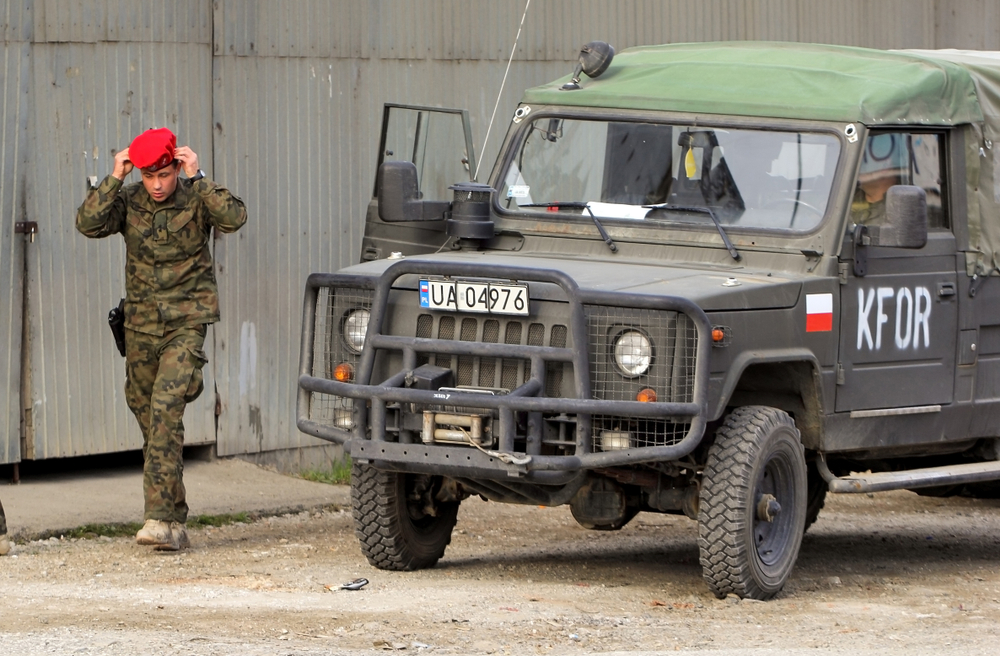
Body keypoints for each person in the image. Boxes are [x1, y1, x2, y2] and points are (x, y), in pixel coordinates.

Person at [76, 128, 247, 551]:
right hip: (139, 327)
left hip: (186, 323)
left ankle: (156, 518)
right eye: (149, 176)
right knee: (149, 416)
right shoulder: (129, 200)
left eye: (165, 174)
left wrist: (199, 175)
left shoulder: (195, 196)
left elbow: (234, 217)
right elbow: (88, 223)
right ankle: (174, 517)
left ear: (176, 165)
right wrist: (114, 177)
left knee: (166, 409)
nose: (157, 185)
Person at [851, 132, 908, 226]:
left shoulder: (897, 213)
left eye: (864, 157)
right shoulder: (848, 198)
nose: (859, 164)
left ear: (886, 164)